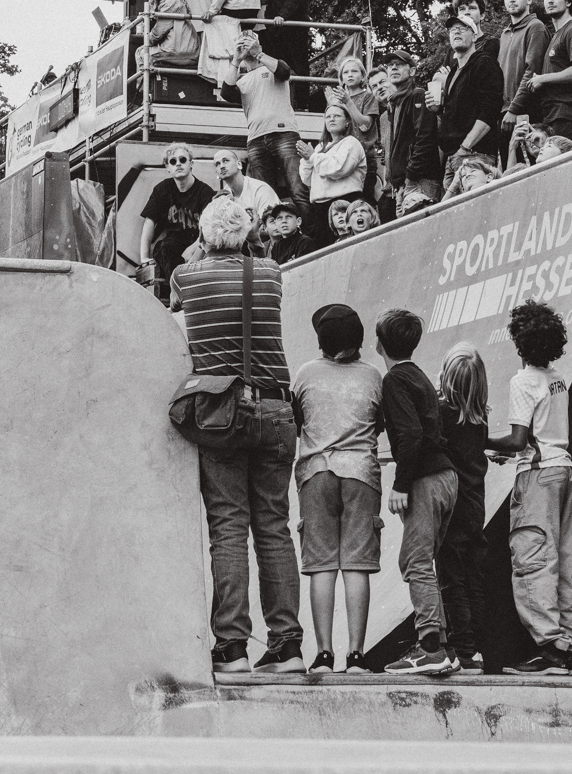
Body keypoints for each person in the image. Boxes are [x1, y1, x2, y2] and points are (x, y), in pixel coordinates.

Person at [169, 196, 303, 674]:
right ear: (247, 236)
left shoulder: (186, 276)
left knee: (228, 529)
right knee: (274, 527)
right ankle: (287, 646)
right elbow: (250, 258)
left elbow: (176, 294)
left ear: (203, 237)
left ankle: (233, 647)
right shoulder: (270, 274)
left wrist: (201, 248)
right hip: (275, 408)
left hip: (222, 414)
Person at [484, 301, 572, 674]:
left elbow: (518, 438)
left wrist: (479, 442)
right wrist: (511, 452)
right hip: (563, 472)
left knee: (533, 560)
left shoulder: (523, 381)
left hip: (538, 477)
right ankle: (568, 644)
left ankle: (550, 647)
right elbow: (540, 437)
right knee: (563, 561)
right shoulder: (556, 378)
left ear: (519, 342)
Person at [292, 303, 385, 676]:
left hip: (315, 472)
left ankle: (324, 655)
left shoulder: (305, 375)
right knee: (356, 565)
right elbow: (379, 423)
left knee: (322, 567)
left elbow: (297, 419)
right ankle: (358, 655)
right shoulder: (373, 376)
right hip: (361, 473)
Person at [375, 307, 460, 676]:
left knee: (415, 561)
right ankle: (441, 644)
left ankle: (429, 648)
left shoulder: (394, 380)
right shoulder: (419, 376)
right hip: (447, 477)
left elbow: (410, 436)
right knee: (426, 560)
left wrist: (399, 485)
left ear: (379, 343)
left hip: (425, 478)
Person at [436, 342, 491, 674]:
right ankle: (476, 649)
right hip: (476, 506)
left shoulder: (444, 416)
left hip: (453, 508)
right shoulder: (480, 418)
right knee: (472, 577)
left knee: (451, 579)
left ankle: (464, 652)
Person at [427, 14, 504, 193]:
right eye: (453, 29)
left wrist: (466, 146)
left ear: (475, 36)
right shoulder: (454, 71)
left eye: (463, 28)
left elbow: (490, 110)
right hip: (453, 156)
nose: (457, 32)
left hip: (475, 154)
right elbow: (457, 113)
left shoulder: (484, 62)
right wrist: (437, 110)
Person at [232, 32, 308, 209]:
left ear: (260, 47)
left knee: (299, 190)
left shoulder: (271, 68)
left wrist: (258, 53)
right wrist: (236, 59)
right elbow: (226, 92)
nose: (247, 48)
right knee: (264, 197)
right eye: (244, 44)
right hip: (256, 139)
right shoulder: (242, 80)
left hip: (284, 135)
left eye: (251, 43)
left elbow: (284, 71)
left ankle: (311, 235)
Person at [510, 0, 572, 138]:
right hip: (551, 115)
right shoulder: (556, 34)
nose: (550, 1)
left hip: (567, 114)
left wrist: (543, 78)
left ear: (568, 2)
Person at [138, 142, 215, 302]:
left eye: (182, 159)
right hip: (175, 241)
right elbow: (149, 222)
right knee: (165, 248)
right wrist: (144, 258)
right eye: (173, 161)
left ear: (191, 164)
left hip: (199, 240)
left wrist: (194, 249)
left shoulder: (204, 192)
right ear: (167, 167)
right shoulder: (162, 190)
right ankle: (179, 293)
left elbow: (209, 227)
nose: (178, 164)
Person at [370, 55, 440, 218]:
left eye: (399, 64)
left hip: (420, 180)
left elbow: (425, 139)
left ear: (413, 71)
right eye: (390, 65)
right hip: (403, 185)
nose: (393, 68)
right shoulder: (393, 107)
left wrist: (409, 176)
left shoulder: (418, 95)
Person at [300, 104, 368, 247]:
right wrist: (307, 159)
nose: (332, 119)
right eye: (328, 117)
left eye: (337, 116)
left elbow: (339, 168)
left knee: (348, 246)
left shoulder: (351, 142)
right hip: (320, 208)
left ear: (347, 121)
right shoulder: (320, 147)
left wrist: (313, 157)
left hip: (345, 202)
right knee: (324, 250)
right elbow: (307, 179)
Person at [260, 0, 313, 98]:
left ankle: (303, 103)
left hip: (295, 25)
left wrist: (282, 15)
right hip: (276, 28)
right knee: (278, 66)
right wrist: (270, 23)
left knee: (299, 65)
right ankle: (280, 100)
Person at [496, 0, 547, 137]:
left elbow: (532, 71)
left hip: (526, 112)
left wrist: (514, 109)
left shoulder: (535, 27)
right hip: (504, 113)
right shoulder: (504, 34)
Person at [140, 0, 200, 71]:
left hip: (181, 51)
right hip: (186, 50)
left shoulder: (171, 2)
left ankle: (146, 85)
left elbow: (158, 33)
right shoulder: (174, 1)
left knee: (141, 52)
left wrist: (146, 37)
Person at [211, 147, 280, 232]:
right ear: (216, 173)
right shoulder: (224, 195)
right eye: (217, 164)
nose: (221, 166)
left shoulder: (260, 190)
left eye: (225, 161)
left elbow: (270, 229)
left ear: (239, 164)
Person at [325, 56, 379, 156]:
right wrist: (332, 106)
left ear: (363, 76)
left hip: (364, 154)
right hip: (341, 154)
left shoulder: (369, 96)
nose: (350, 75)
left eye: (354, 71)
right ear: (341, 78)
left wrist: (348, 102)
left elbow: (365, 126)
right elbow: (331, 131)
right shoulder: (337, 99)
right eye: (346, 72)